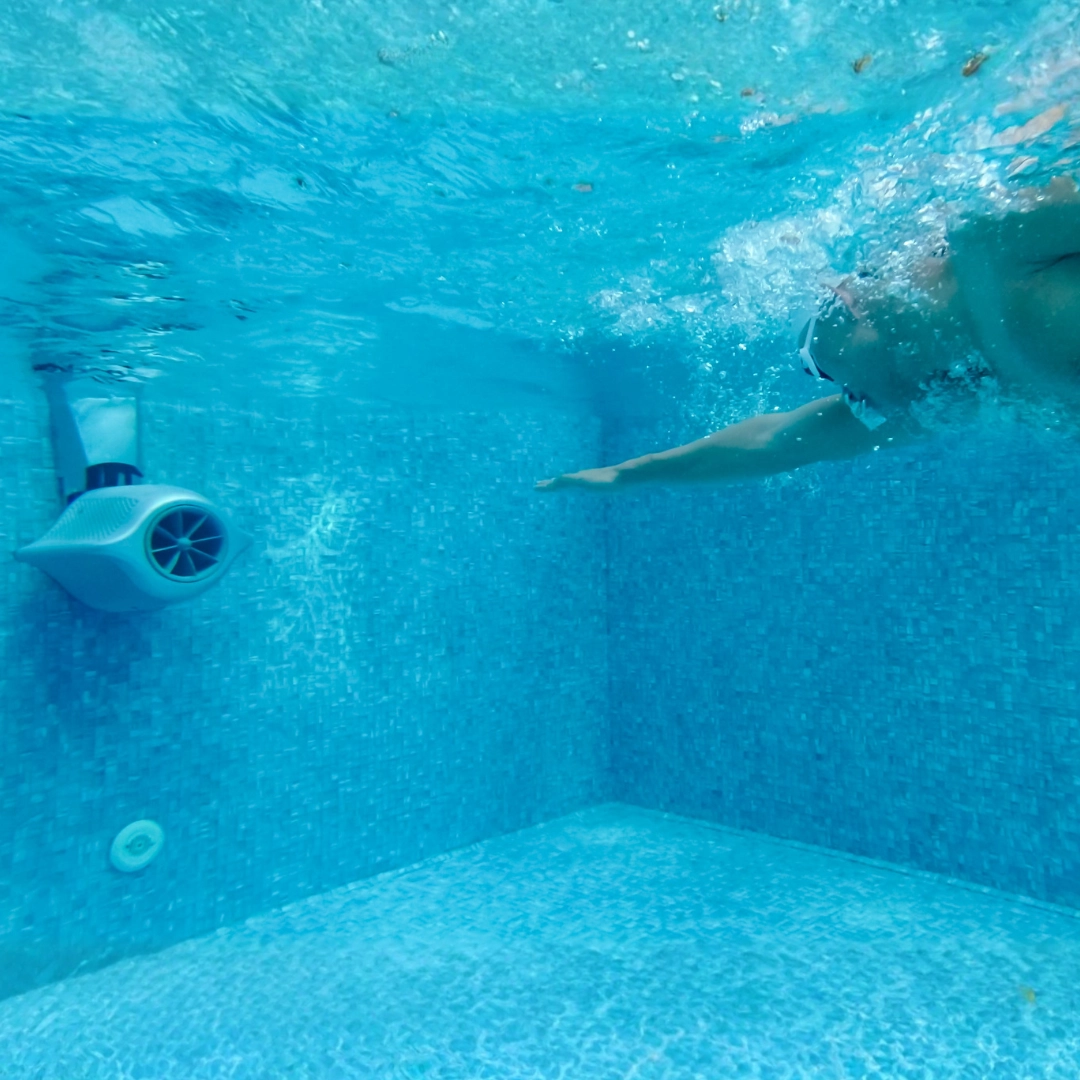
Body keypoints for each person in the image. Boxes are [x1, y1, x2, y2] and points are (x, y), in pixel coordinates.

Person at [536, 176, 1080, 492]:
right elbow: (774, 444)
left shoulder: (991, 251)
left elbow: (778, 443)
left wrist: (631, 475)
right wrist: (631, 474)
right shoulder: (969, 386)